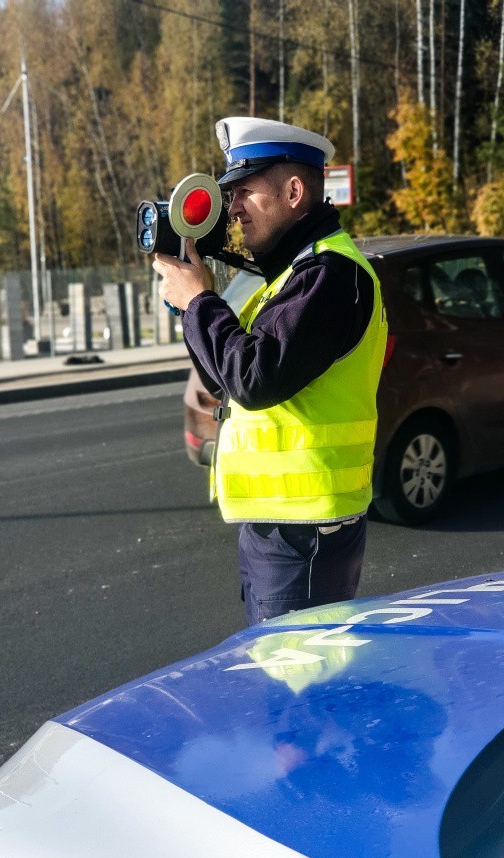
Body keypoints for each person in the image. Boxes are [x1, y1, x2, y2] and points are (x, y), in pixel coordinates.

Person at [153, 117, 387, 625]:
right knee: (290, 684)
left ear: (295, 191)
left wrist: (199, 300)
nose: (231, 206)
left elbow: (253, 379)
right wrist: (191, 307)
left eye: (243, 190)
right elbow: (224, 379)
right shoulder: (294, 276)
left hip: (305, 530)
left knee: (294, 693)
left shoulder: (328, 275)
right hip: (284, 527)